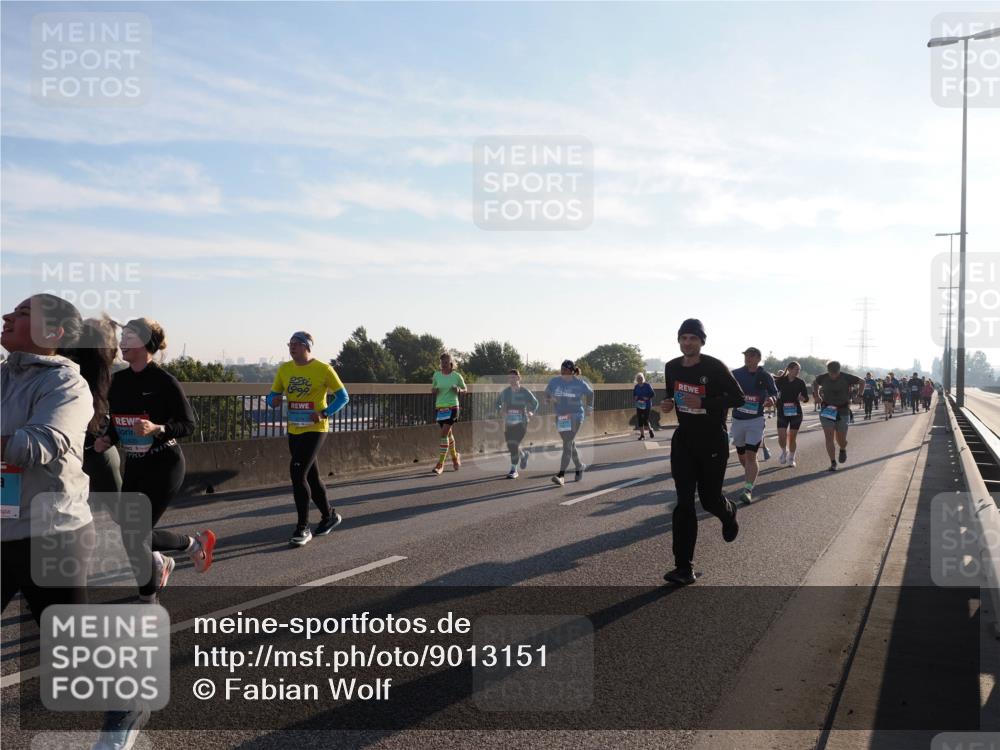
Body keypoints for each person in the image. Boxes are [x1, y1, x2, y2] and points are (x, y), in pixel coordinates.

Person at [95, 319, 216, 595]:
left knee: (136, 536)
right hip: (135, 465)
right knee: (130, 537)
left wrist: (158, 429)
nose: (122, 343)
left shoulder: (164, 382)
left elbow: (188, 424)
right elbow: (118, 423)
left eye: (128, 338)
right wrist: (107, 439)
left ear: (145, 344)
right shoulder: (119, 381)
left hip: (165, 464)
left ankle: (153, 592)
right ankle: (170, 557)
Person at [660, 319, 742, 586]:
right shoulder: (671, 367)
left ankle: (728, 513)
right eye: (683, 338)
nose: (687, 343)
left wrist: (705, 402)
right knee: (684, 502)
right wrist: (668, 403)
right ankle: (684, 567)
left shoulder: (714, 366)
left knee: (709, 500)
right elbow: (671, 394)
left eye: (693, 338)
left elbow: (738, 398)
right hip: (684, 440)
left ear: (701, 341)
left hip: (712, 441)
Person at [267, 331, 349, 546]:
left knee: (297, 472)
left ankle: (302, 528)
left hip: (316, 428)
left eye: (296, 344)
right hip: (294, 430)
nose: (291, 347)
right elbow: (272, 394)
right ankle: (329, 516)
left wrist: (324, 413)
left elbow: (343, 397)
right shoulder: (285, 369)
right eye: (289, 344)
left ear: (307, 346)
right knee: (311, 476)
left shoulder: (323, 369)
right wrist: (272, 400)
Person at [729, 347, 777, 503]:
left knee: (751, 455)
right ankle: (750, 473)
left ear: (758, 358)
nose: (747, 358)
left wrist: (772, 400)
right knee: (742, 456)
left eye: (750, 356)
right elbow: (725, 389)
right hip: (738, 420)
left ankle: (748, 489)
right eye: (745, 355)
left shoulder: (765, 375)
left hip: (756, 420)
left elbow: (775, 392)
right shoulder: (736, 374)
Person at [545, 360, 594, 486]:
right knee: (569, 444)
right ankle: (579, 466)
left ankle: (561, 475)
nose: (563, 372)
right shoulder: (555, 381)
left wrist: (589, 407)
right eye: (562, 370)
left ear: (572, 372)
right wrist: (548, 398)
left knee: (567, 444)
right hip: (562, 417)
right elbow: (547, 391)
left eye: (566, 371)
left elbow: (590, 393)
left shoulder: (579, 383)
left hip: (576, 416)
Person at [812, 361, 865, 471]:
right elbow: (815, 383)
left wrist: (859, 396)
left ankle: (842, 448)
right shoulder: (823, 377)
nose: (833, 376)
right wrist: (816, 396)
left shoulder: (847, 377)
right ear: (828, 371)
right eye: (831, 374)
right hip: (827, 409)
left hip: (843, 410)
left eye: (835, 374)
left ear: (839, 371)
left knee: (842, 440)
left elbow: (862, 381)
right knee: (829, 436)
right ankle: (833, 462)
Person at [495, 369, 538, 479]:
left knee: (514, 444)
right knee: (511, 445)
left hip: (522, 422)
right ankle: (523, 455)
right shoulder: (506, 392)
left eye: (514, 377)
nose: (511, 379)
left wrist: (531, 411)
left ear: (519, 378)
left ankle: (514, 469)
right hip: (508, 422)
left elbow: (535, 403)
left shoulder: (525, 391)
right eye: (509, 377)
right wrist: (499, 410)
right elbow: (497, 403)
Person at [430, 352, 467, 475]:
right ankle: (455, 457)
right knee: (448, 434)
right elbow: (433, 388)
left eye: (446, 362)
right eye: (442, 363)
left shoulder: (457, 376)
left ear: (451, 363)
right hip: (440, 408)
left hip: (453, 407)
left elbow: (465, 390)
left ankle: (440, 464)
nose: (444, 365)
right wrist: (434, 390)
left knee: (443, 434)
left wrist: (459, 390)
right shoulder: (436, 375)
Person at [775, 361, 809, 467]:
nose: (798, 371)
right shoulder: (780, 381)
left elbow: (806, 398)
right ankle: (784, 451)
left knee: (792, 437)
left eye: (799, 370)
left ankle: (791, 457)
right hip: (782, 412)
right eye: (796, 369)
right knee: (781, 436)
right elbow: (773, 392)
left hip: (796, 413)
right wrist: (774, 397)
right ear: (789, 369)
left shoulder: (800, 382)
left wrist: (803, 398)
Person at [633, 373, 656, 440]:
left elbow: (653, 394)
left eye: (641, 378)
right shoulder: (636, 387)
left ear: (643, 379)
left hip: (647, 405)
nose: (640, 379)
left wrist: (647, 397)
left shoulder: (647, 385)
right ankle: (642, 435)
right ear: (636, 379)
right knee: (640, 420)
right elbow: (634, 395)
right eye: (638, 378)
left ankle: (650, 430)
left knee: (645, 419)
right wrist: (635, 397)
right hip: (639, 405)